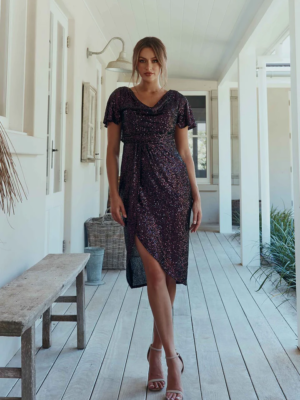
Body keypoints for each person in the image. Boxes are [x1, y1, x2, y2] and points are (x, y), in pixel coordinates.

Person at [104, 37, 202, 400]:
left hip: (173, 192)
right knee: (155, 273)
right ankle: (175, 360)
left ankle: (156, 352)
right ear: (135, 63)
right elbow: (113, 151)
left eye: (154, 61)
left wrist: (195, 195)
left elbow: (184, 153)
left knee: (170, 273)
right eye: (142, 61)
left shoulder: (176, 101)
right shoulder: (120, 98)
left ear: (162, 63)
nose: (147, 67)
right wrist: (114, 194)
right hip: (136, 191)